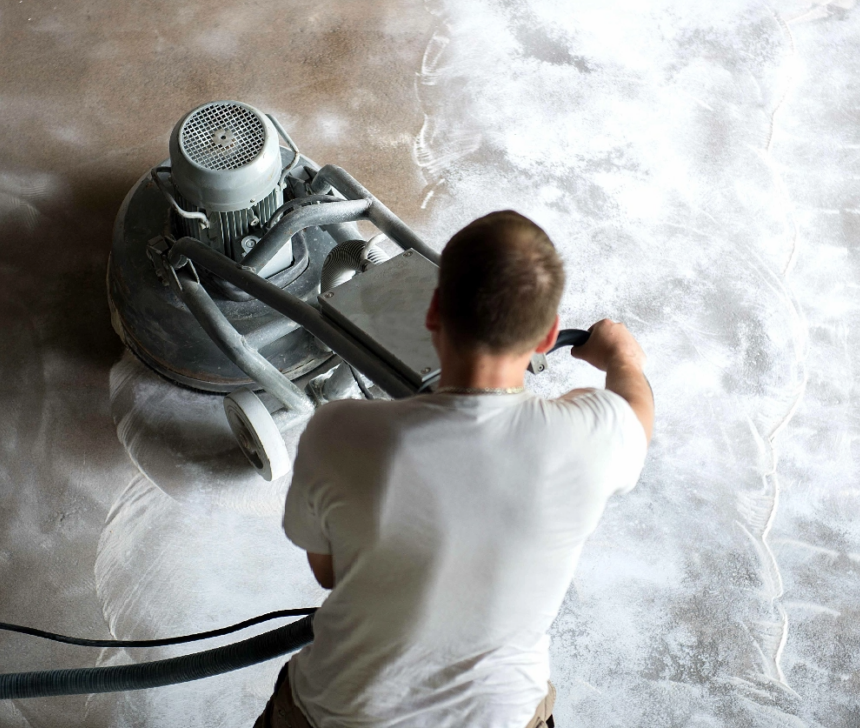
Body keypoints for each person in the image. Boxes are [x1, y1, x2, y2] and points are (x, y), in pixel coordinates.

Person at [254, 210, 653, 728]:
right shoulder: (588, 438)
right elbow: (636, 414)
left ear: (435, 309)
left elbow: (330, 573)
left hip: (337, 713)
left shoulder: (337, 433)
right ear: (548, 334)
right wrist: (623, 356)